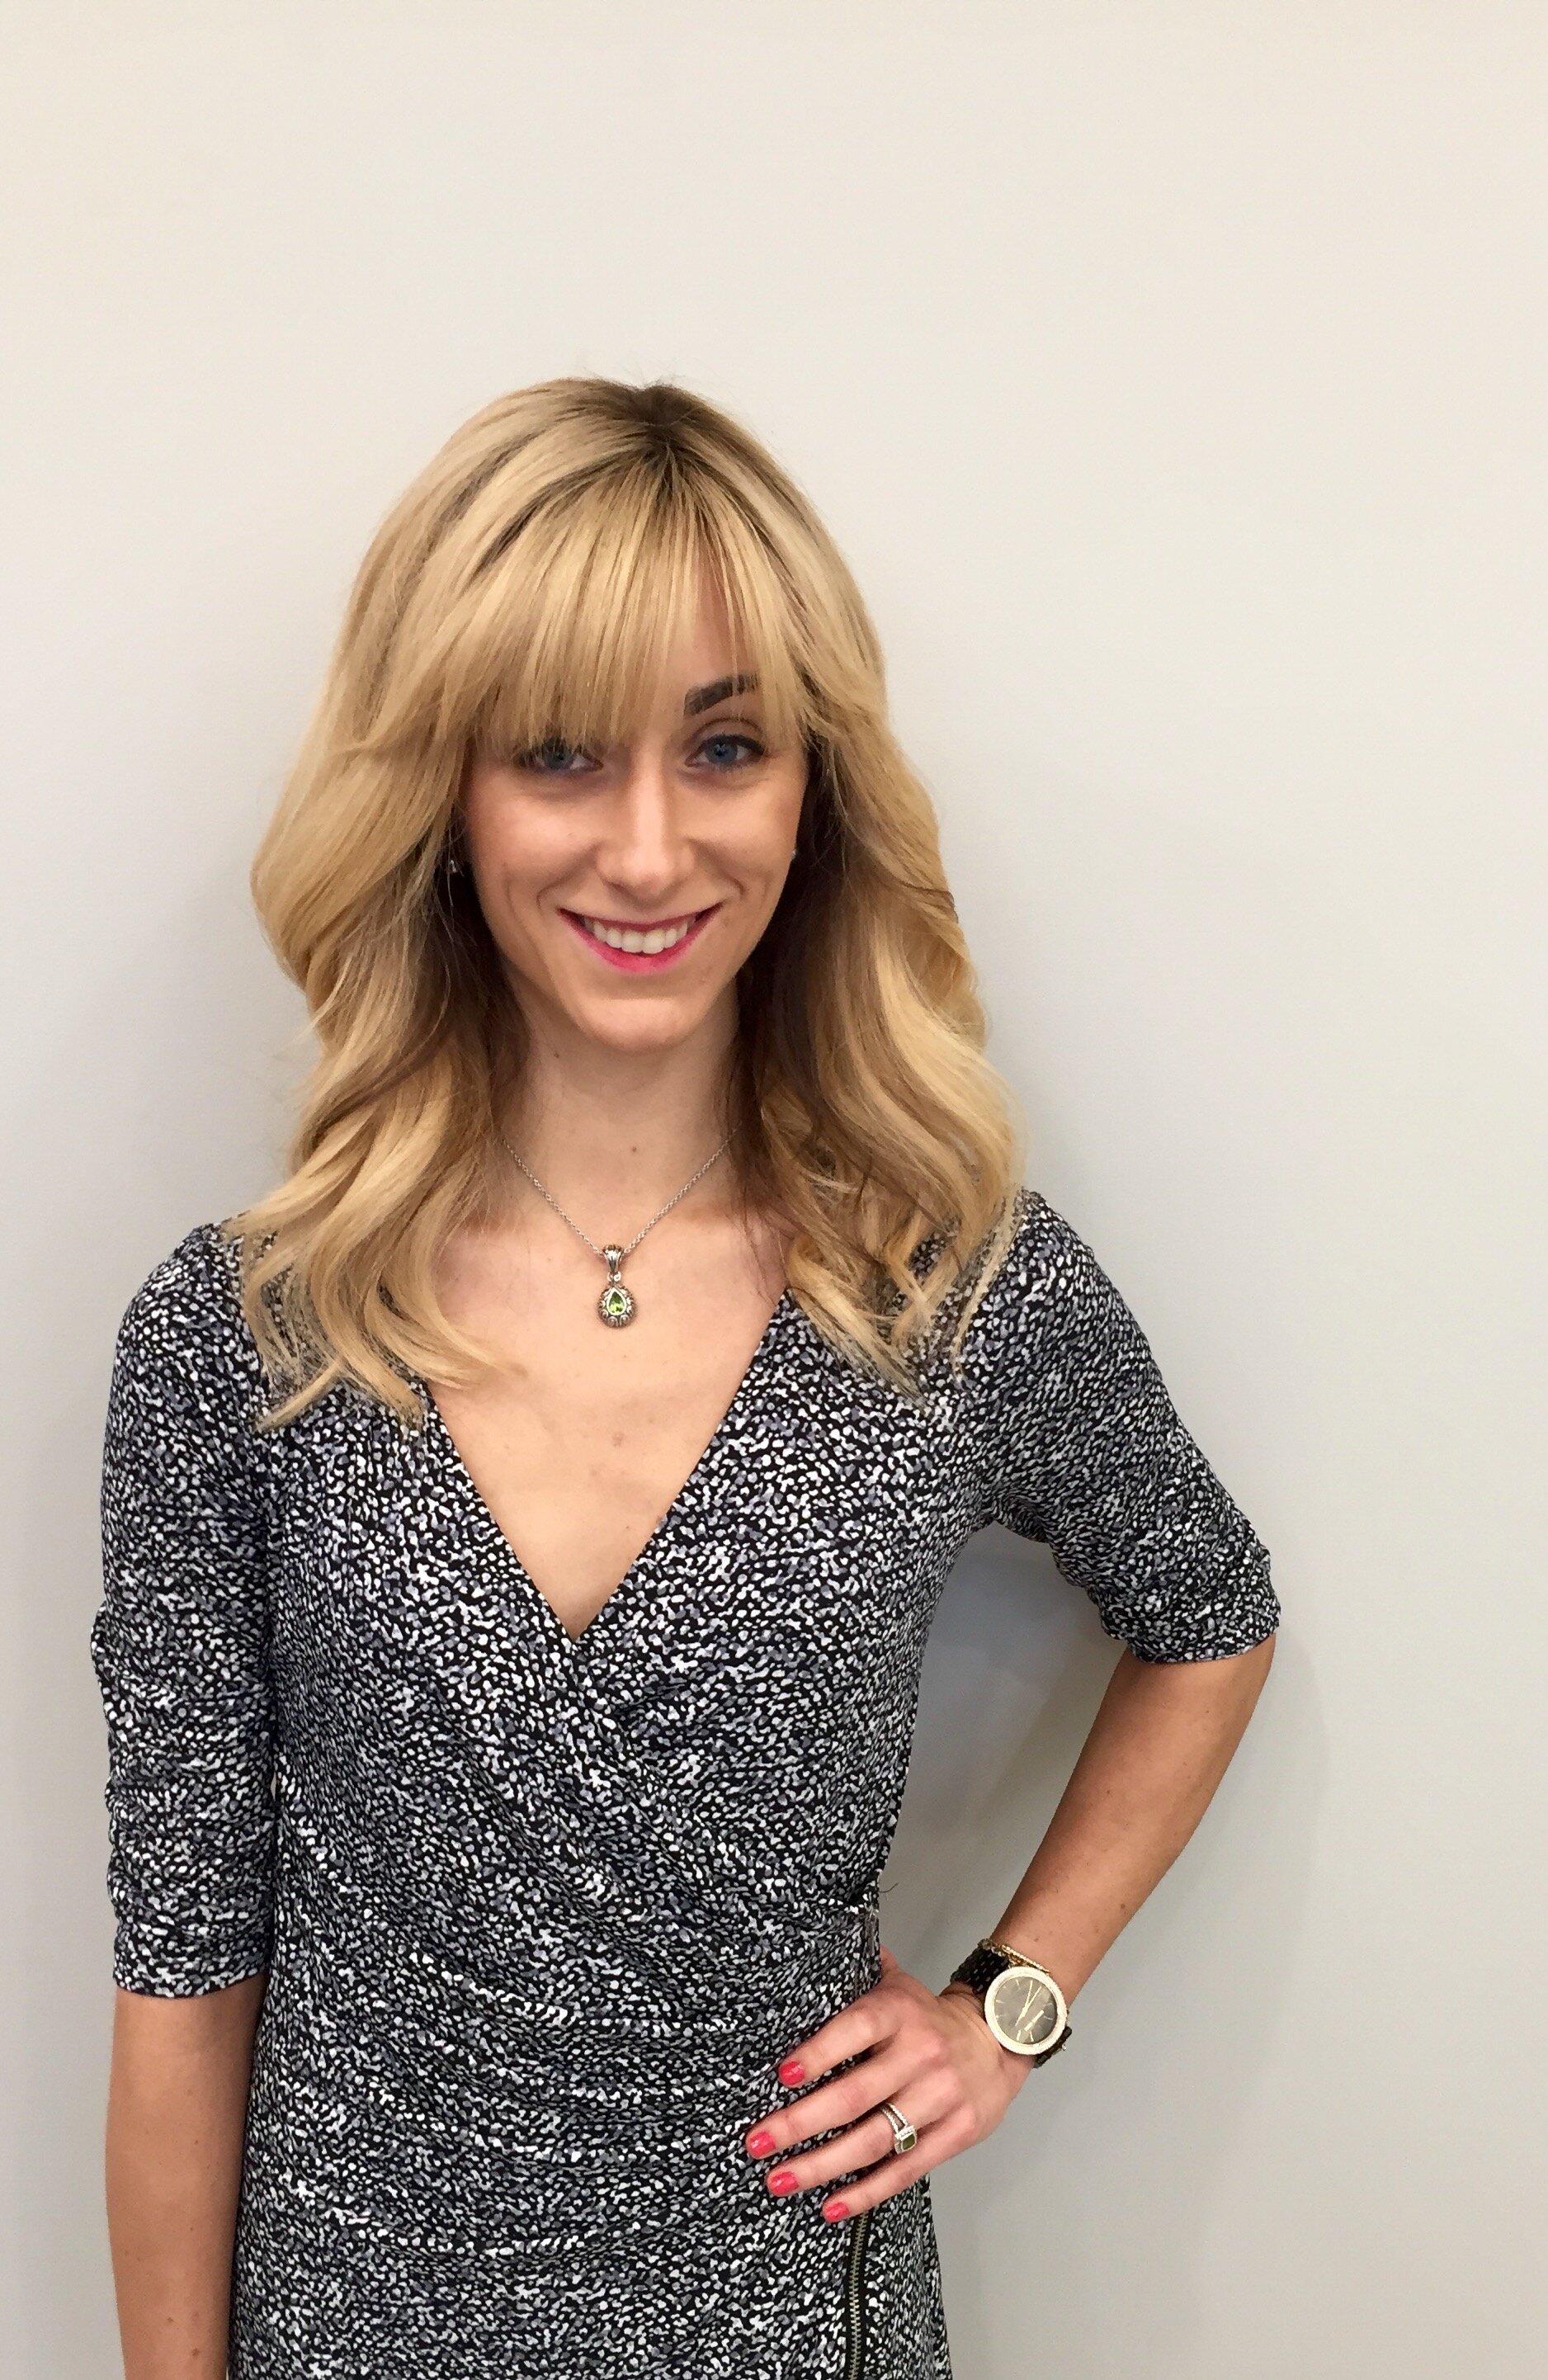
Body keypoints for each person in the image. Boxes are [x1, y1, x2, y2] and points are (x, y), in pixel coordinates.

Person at [90, 377, 1278, 2380]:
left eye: (723, 746)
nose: (649, 847)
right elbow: (182, 1971)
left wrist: (1008, 1999)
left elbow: (1209, 1611)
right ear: (447, 796)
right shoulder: (243, 1339)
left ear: (807, 787)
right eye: (557, 753)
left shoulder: (944, 1285)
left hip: (782, 2317)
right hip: (350, 2328)